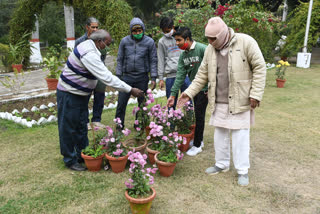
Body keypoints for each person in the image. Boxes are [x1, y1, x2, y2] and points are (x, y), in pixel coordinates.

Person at [176, 17, 266, 186]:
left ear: (223, 34)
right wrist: (188, 93)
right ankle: (221, 164)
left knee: (240, 135)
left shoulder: (246, 42)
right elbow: (201, 75)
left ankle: (242, 170)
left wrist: (256, 94)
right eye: (208, 39)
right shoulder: (210, 50)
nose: (209, 42)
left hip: (241, 98)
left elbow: (260, 68)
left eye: (213, 39)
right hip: (219, 100)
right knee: (220, 134)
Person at [57, 30, 143, 171]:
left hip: (80, 94)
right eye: (106, 44)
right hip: (69, 93)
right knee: (68, 127)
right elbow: (106, 77)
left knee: (81, 125)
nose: (107, 47)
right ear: (99, 41)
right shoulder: (89, 53)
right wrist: (130, 89)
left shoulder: (91, 47)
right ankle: (70, 159)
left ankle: (82, 154)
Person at [167, 27, 208, 157]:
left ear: (188, 39)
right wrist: (173, 94)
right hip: (194, 89)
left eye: (179, 40)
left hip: (206, 89)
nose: (177, 43)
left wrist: (211, 86)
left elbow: (214, 66)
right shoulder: (183, 56)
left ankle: (197, 145)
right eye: (176, 41)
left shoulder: (202, 49)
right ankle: (199, 140)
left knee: (199, 114)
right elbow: (180, 76)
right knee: (198, 114)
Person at [115, 17, 157, 128]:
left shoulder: (149, 42)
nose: (137, 33)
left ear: (143, 29)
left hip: (142, 77)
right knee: (121, 103)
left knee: (142, 103)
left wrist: (153, 77)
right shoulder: (124, 41)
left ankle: (139, 124)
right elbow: (120, 59)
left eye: (139, 31)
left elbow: (153, 60)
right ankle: (119, 126)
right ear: (131, 31)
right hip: (126, 77)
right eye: (135, 31)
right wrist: (118, 76)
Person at [75, 17, 106, 130]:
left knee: (100, 97)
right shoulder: (79, 41)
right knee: (84, 98)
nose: (95, 29)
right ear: (87, 27)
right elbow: (77, 58)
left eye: (97, 27)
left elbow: (103, 57)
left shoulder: (101, 40)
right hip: (85, 75)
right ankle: (85, 121)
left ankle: (96, 121)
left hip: (98, 74)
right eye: (93, 27)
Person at [158, 17, 191, 108]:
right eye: (164, 31)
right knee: (171, 104)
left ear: (173, 27)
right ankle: (171, 122)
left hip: (185, 74)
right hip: (171, 76)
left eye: (167, 31)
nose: (166, 33)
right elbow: (160, 60)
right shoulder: (162, 42)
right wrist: (161, 78)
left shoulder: (181, 37)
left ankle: (189, 121)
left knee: (188, 103)